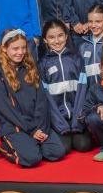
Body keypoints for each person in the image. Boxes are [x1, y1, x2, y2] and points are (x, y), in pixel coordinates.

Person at [0, 30, 67, 167]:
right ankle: (3, 145)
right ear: (4, 49)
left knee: (56, 152)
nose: (20, 52)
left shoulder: (30, 67)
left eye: (23, 48)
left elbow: (42, 101)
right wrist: (31, 130)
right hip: (14, 125)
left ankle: (30, 143)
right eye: (15, 48)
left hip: (35, 124)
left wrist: (41, 127)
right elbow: (6, 109)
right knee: (31, 158)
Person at [38, 20, 92, 153]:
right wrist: (60, 124)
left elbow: (82, 93)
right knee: (64, 148)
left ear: (66, 36)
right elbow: (46, 100)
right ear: (45, 40)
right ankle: (63, 131)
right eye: (51, 37)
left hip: (76, 118)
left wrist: (77, 121)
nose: (57, 41)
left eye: (60, 35)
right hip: (57, 120)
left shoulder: (76, 59)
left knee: (84, 145)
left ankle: (75, 129)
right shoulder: (42, 64)